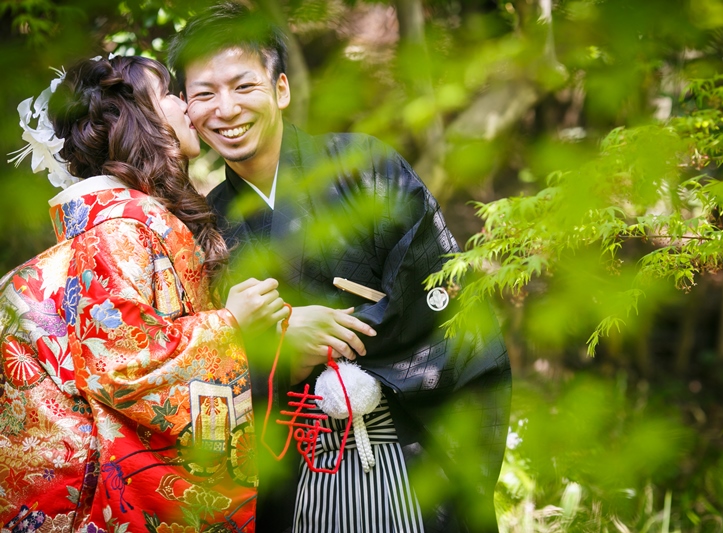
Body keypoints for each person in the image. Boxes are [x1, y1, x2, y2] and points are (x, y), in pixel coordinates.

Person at [168, 2, 512, 532]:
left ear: (281, 89)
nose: (227, 109)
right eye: (205, 94)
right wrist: (277, 350)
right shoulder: (203, 226)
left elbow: (437, 290)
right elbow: (198, 365)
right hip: (296, 472)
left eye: (244, 85)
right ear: (186, 109)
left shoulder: (364, 168)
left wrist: (327, 340)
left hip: (403, 452)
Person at [0, 55, 288, 532]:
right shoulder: (119, 231)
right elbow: (121, 363)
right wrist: (229, 325)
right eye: (169, 93)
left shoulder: (128, 223)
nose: (185, 104)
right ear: (138, 119)